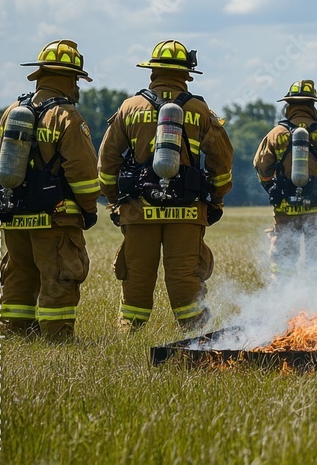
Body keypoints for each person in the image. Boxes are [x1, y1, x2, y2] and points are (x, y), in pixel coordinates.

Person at [98, 40, 233, 331]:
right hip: (187, 209)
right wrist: (216, 200)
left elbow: (107, 160)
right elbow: (221, 160)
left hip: (138, 209)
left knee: (136, 273)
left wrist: (114, 200)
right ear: (187, 73)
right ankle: (196, 335)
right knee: (184, 274)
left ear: (152, 71)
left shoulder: (130, 107)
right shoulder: (199, 108)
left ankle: (129, 332)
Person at [0, 40, 100, 341]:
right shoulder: (66, 117)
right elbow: (84, 172)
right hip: (56, 216)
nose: (78, 87)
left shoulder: (13, 110)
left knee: (19, 272)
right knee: (60, 274)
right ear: (68, 79)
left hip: (16, 213)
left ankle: (13, 331)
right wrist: (88, 208)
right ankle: (57, 337)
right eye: (76, 80)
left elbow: (1, 153)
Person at [253, 80, 317, 290]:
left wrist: (272, 188)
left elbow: (260, 166)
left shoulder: (276, 134)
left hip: (286, 209)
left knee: (284, 262)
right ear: (313, 107)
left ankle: (282, 303)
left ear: (289, 106)